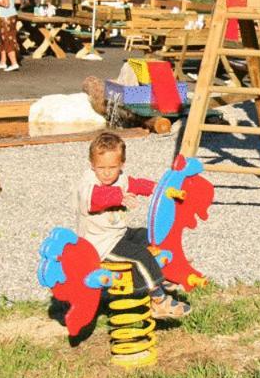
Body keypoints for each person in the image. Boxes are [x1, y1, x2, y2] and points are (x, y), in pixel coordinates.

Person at [75, 132, 189, 319]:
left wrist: (160, 189)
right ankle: (159, 300)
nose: (106, 172)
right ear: (92, 165)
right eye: (100, 167)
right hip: (99, 244)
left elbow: (136, 184)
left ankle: (164, 274)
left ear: (121, 165)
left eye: (112, 167)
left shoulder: (120, 178)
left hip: (118, 234)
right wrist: (119, 197)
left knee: (151, 236)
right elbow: (96, 198)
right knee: (140, 256)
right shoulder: (87, 184)